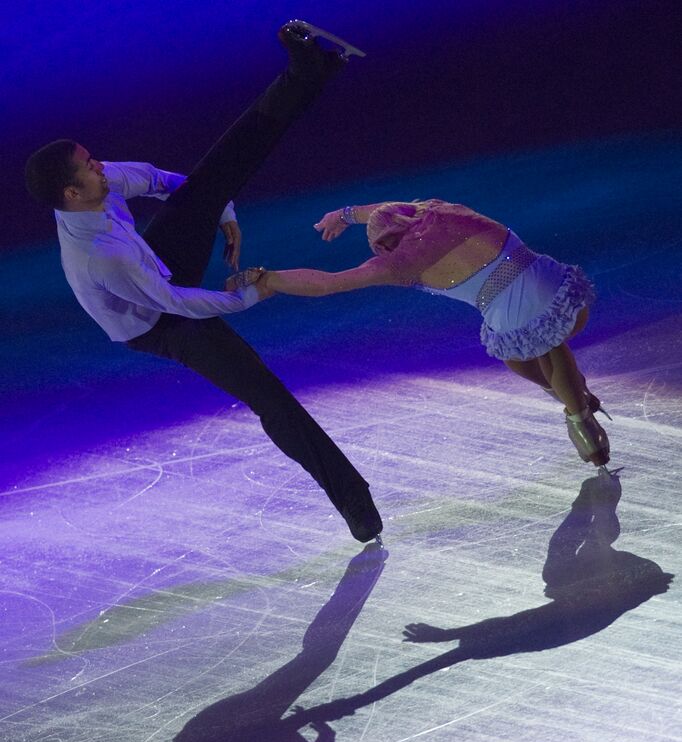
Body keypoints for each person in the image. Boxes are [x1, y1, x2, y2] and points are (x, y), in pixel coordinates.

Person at [23, 22, 382, 543]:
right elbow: (177, 302)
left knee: (217, 171)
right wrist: (251, 294)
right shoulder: (100, 257)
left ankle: (306, 73)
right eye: (89, 166)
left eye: (92, 159)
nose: (100, 166)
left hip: (156, 267)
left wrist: (222, 208)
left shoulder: (99, 185)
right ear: (72, 194)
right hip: (160, 321)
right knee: (266, 394)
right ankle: (353, 499)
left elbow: (164, 181)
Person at [254, 198, 610, 466]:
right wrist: (345, 215)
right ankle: (575, 398)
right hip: (560, 290)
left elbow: (328, 283)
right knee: (529, 353)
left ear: (382, 246)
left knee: (538, 346)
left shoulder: (395, 264)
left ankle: (581, 419)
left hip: (517, 316)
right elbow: (391, 209)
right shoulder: (437, 208)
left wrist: (269, 279)